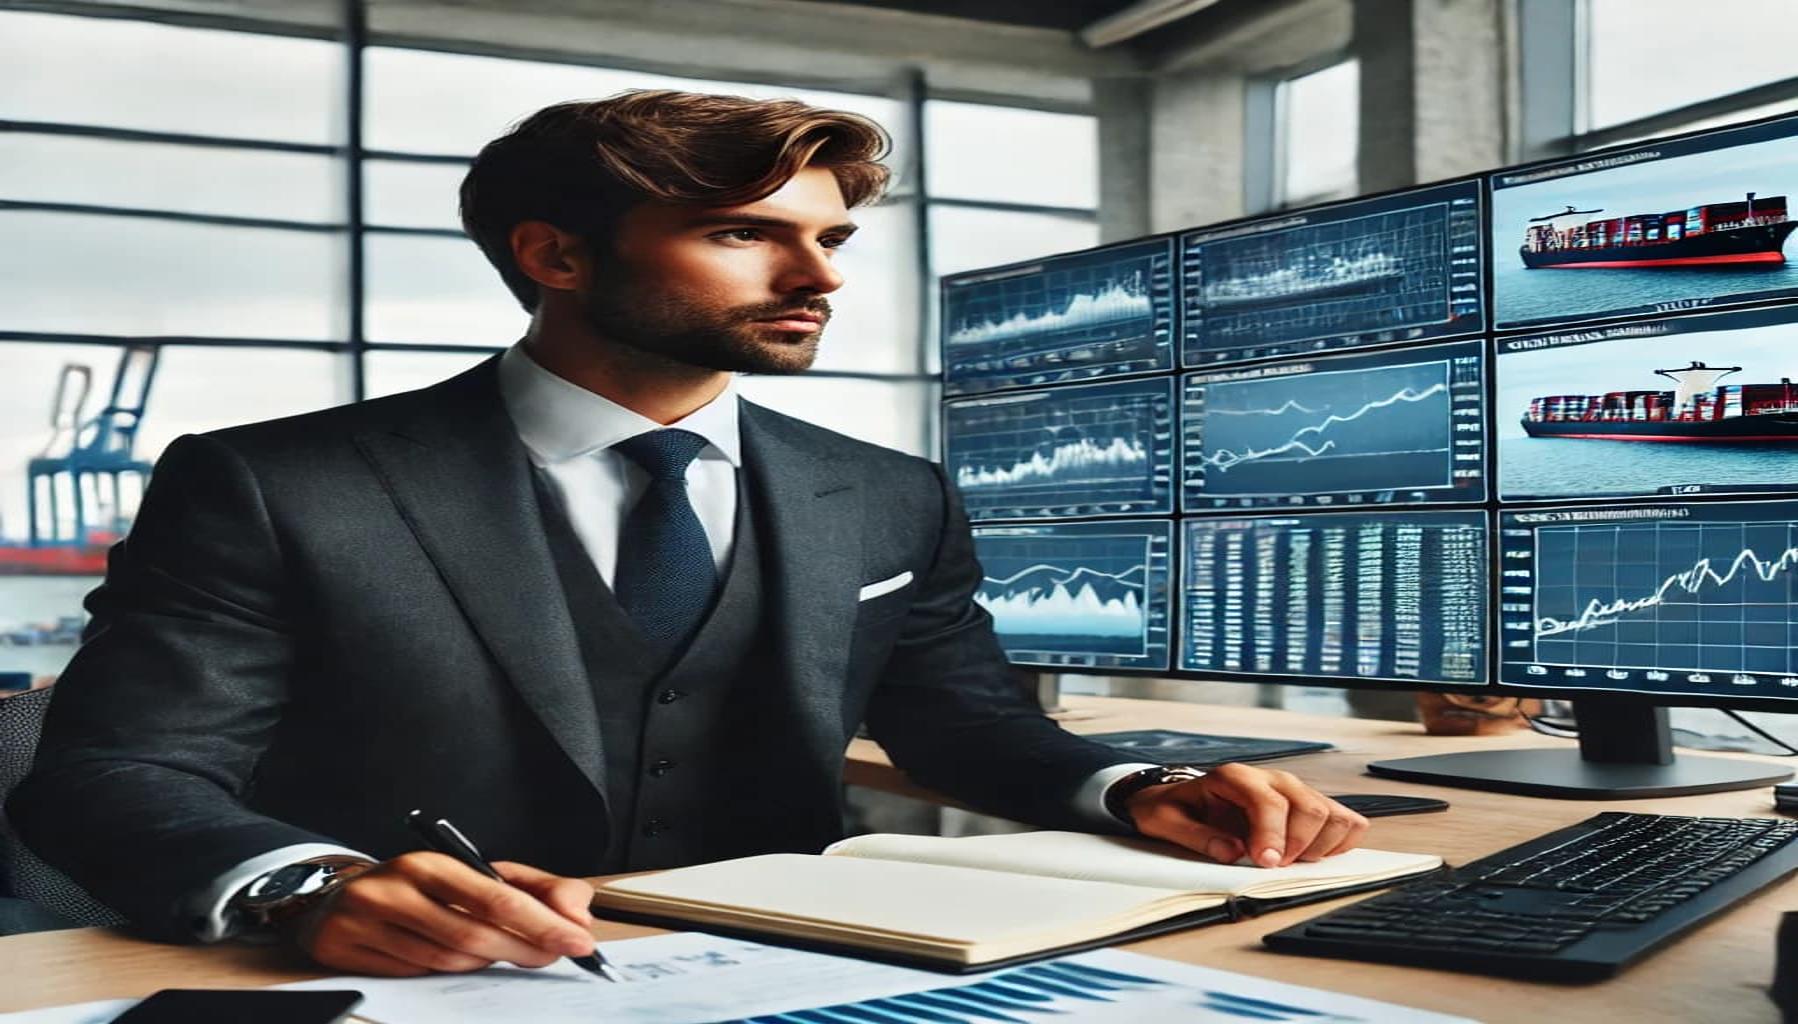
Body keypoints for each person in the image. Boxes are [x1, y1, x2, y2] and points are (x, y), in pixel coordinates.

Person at [9, 90, 1368, 977]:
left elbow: (965, 730)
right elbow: (114, 775)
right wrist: (300, 887)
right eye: (742, 233)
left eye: (830, 236)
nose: (818, 275)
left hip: (802, 977)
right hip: (426, 989)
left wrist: (1126, 789)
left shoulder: (887, 495)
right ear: (553, 257)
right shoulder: (273, 483)